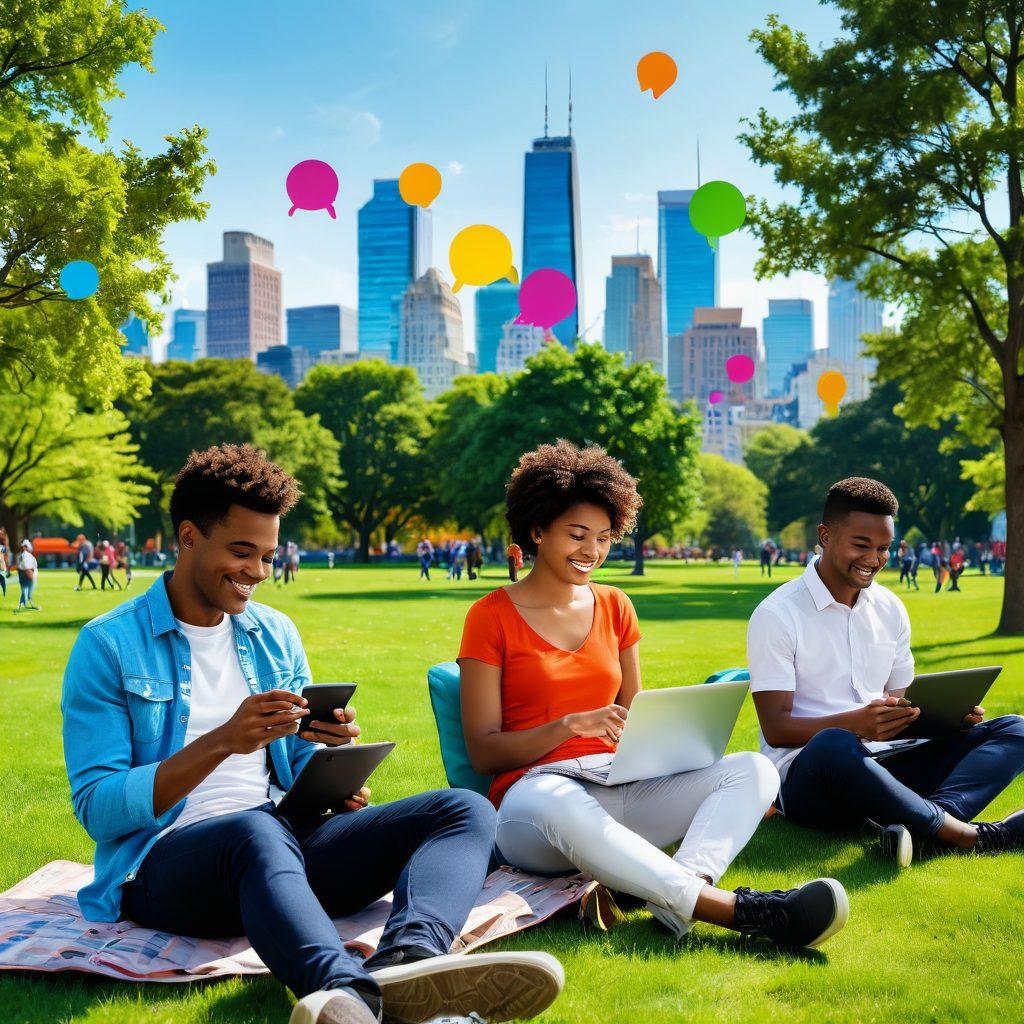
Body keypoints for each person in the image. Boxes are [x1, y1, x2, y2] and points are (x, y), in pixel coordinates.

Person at [61, 443, 563, 1024]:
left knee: (463, 809)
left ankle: (411, 961)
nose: (257, 573)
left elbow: (292, 769)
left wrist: (328, 767)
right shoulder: (108, 646)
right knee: (254, 830)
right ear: (189, 537)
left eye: (269, 557)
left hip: (280, 846)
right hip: (161, 868)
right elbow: (98, 809)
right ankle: (345, 994)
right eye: (241, 552)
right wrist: (223, 740)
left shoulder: (275, 633)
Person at [459, 440, 849, 951]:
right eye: (577, 535)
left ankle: (675, 900)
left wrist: (672, 746)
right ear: (537, 530)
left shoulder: (616, 606)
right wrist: (568, 726)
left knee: (753, 770)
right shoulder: (490, 617)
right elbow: (484, 751)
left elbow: (637, 719)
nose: (592, 552)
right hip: (534, 806)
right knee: (559, 803)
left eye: (603, 537)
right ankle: (737, 911)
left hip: (617, 785)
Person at [748, 477, 1024, 869]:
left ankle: (927, 825)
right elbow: (776, 729)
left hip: (884, 764)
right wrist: (857, 724)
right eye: (861, 545)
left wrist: (947, 720)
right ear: (825, 536)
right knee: (834, 742)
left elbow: (903, 705)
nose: (874, 559)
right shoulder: (777, 614)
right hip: (809, 777)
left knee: (1014, 729)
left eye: (883, 548)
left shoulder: (890, 607)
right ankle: (964, 835)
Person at [15, 538, 40, 611]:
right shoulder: (25, 555)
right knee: (27, 591)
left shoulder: (23, 555)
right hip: (27, 574)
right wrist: (29, 573)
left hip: (25, 573)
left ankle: (22, 605)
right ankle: (28, 605)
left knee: (24, 591)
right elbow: (26, 566)